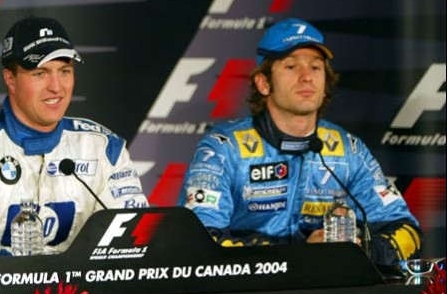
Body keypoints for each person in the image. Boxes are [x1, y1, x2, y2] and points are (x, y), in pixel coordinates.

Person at [180, 18, 421, 265]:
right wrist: (302, 256)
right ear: (264, 83)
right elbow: (200, 240)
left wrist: (361, 250)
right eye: (291, 67)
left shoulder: (349, 151)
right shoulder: (222, 149)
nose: (307, 77)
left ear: (326, 84)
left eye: (316, 68)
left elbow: (407, 231)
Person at [0, 16, 148, 258]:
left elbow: (131, 249)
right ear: (10, 79)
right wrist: (31, 277)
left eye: (65, 71)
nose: (56, 87)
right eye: (40, 73)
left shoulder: (105, 149)